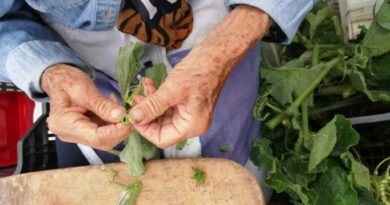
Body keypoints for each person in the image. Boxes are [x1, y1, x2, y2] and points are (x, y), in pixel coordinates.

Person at [0, 0, 317, 200]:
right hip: (85, 67)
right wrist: (53, 74)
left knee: (238, 178)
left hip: (216, 31)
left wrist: (227, 46)